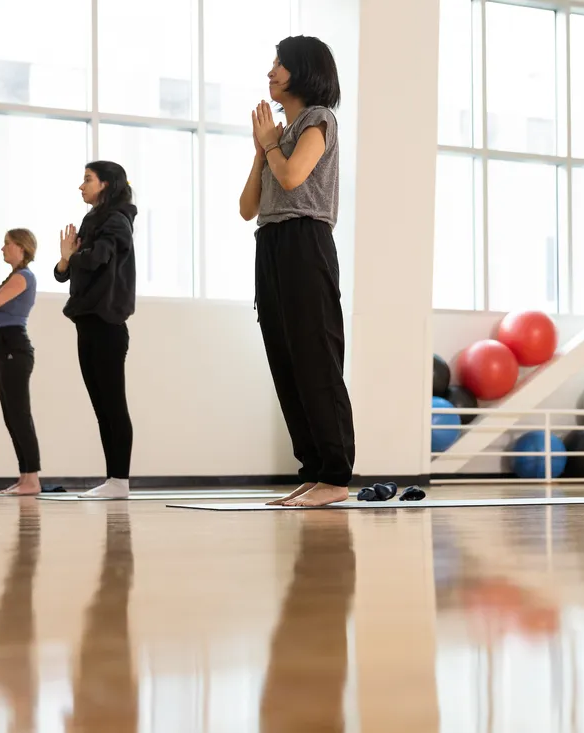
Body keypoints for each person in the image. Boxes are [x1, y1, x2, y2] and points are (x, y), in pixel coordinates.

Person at [240, 36, 355, 508]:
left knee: (315, 357)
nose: (271, 73)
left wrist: (271, 146)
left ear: (303, 71)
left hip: (306, 241)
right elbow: (248, 208)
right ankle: (313, 471)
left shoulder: (317, 119)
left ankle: (335, 474)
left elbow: (292, 178)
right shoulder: (280, 134)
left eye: (279, 65)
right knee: (285, 359)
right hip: (270, 243)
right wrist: (260, 150)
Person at [54, 161, 137, 498]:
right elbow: (66, 270)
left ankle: (120, 481)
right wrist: (65, 259)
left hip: (107, 325)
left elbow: (95, 258)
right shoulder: (93, 221)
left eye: (87, 179)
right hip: (87, 322)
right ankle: (113, 481)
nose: (81, 186)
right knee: (101, 405)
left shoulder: (117, 221)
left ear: (106, 184)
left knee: (113, 404)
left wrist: (73, 256)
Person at [0, 228, 41, 496]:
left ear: (21, 247)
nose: (3, 248)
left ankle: (32, 479)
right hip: (2, 349)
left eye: (7, 244)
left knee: (20, 414)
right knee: (11, 415)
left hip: (15, 348)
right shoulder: (10, 279)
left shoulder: (25, 276)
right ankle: (24, 477)